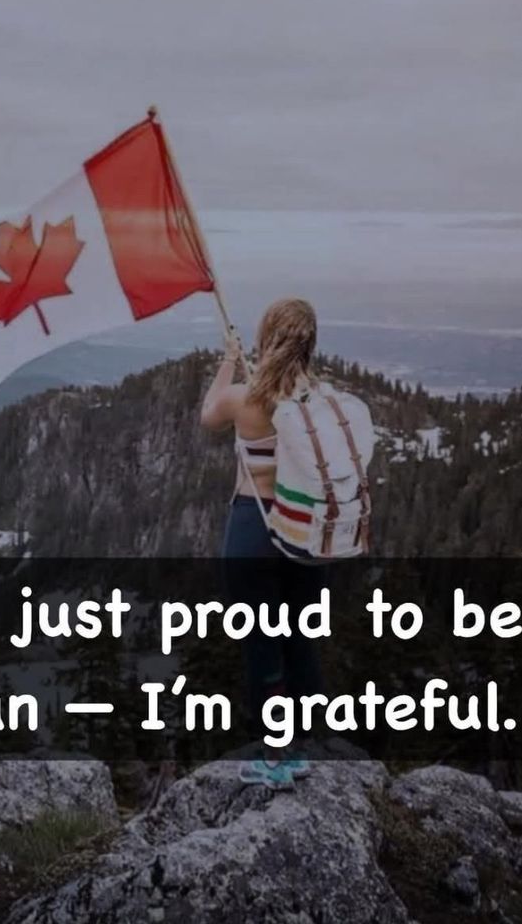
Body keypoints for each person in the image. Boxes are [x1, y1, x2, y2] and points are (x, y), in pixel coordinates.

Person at [201, 297, 324, 790]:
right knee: (300, 637)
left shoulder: (245, 398)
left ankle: (276, 755)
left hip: (255, 523)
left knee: (261, 643)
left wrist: (229, 358)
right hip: (308, 530)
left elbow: (208, 414)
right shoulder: (319, 398)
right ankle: (305, 745)